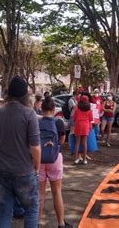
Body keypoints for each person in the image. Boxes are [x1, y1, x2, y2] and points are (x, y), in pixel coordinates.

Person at [0, 76, 41, 227]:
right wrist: (37, 167)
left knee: (4, 210)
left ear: (7, 93)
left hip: (2, 170)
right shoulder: (29, 113)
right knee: (31, 209)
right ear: (25, 95)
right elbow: (35, 147)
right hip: (24, 171)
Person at [37, 97, 72, 228]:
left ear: (41, 109)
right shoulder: (59, 122)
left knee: (40, 193)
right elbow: (62, 142)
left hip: (39, 159)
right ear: (53, 109)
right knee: (57, 192)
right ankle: (61, 223)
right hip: (55, 158)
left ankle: (38, 223)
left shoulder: (37, 122)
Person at [73, 95, 93, 165]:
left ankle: (76, 158)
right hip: (85, 126)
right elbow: (91, 119)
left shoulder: (77, 108)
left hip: (78, 125)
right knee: (84, 143)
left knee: (77, 143)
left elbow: (74, 118)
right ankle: (84, 159)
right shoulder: (89, 109)